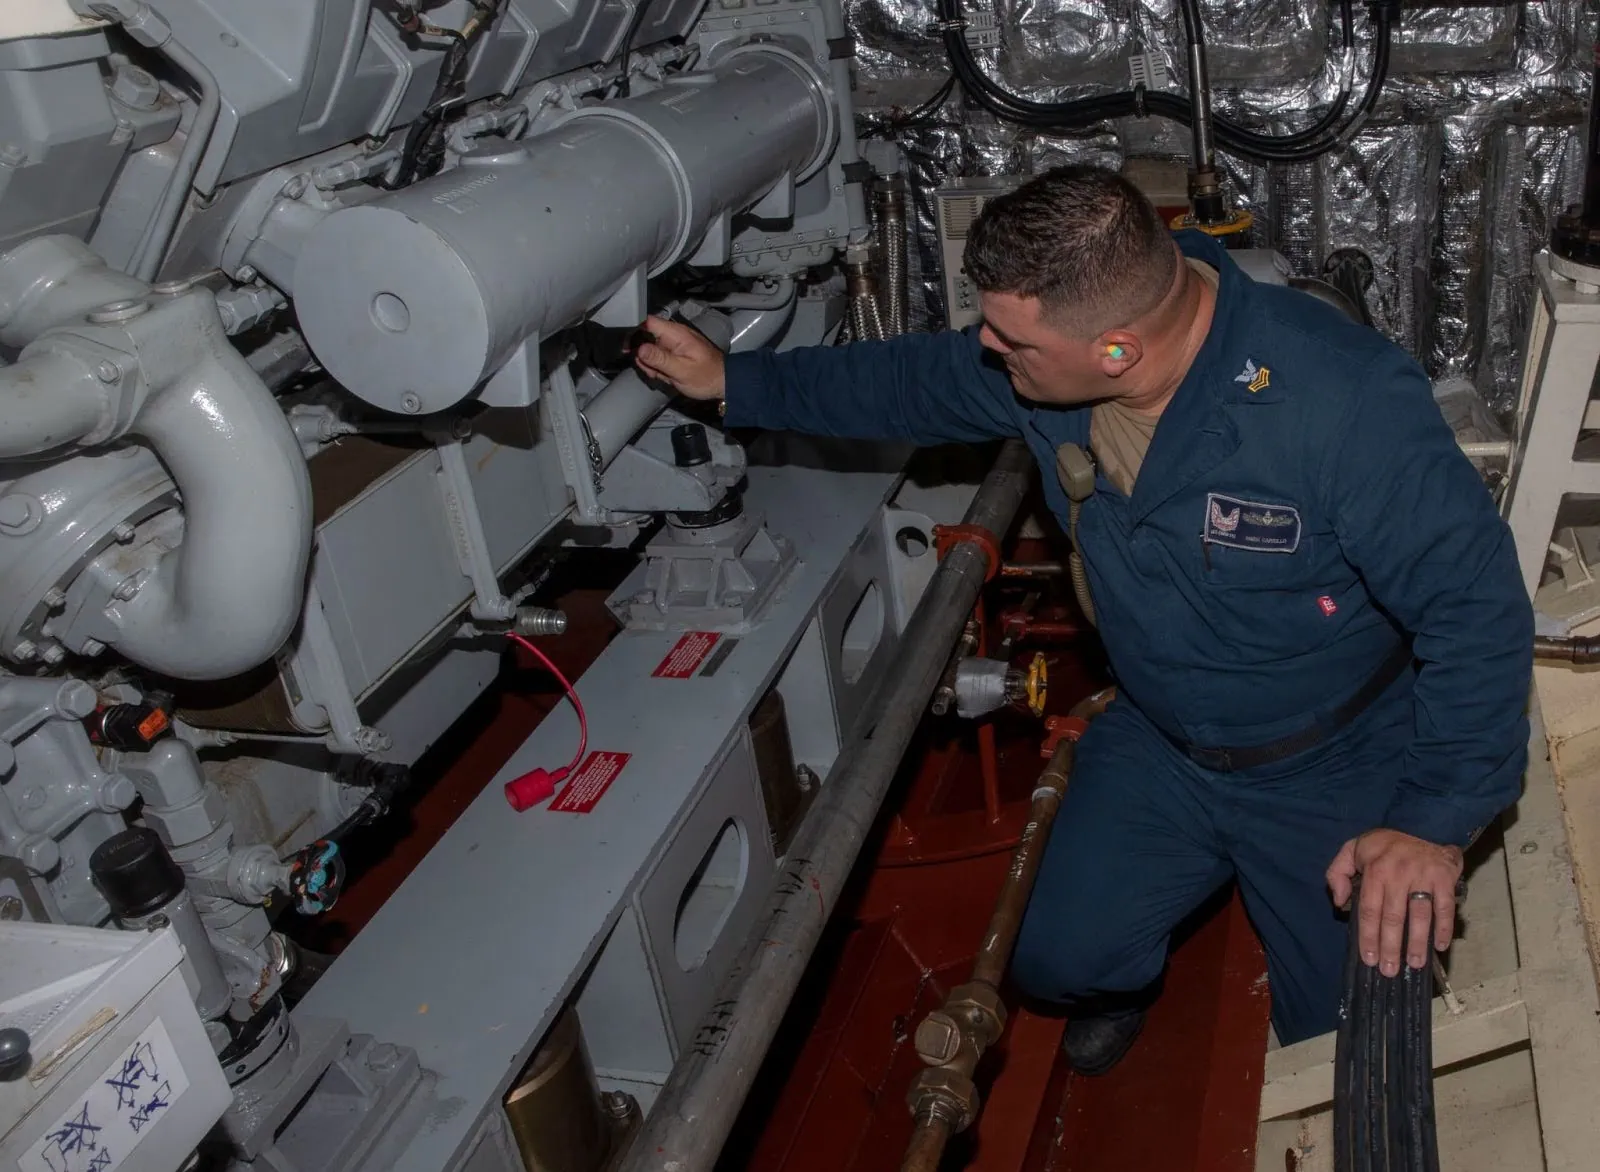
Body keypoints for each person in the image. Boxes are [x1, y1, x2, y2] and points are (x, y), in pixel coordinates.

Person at [632, 164, 1533, 1073]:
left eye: (1010, 340)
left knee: (1353, 1045)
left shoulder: (1344, 405)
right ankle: (1123, 983)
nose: (988, 349)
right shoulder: (1040, 368)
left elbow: (1477, 612)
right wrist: (733, 383)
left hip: (1330, 755)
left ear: (1116, 352)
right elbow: (903, 381)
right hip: (1166, 741)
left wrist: (1431, 822)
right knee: (1052, 962)